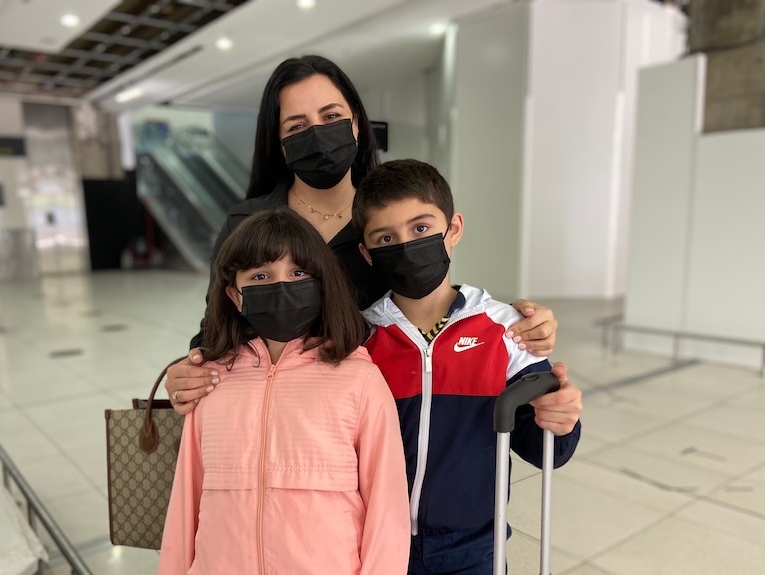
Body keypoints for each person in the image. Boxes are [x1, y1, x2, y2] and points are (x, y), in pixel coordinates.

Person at [166, 54, 559, 414]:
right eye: (297, 125)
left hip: (375, 412)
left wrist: (518, 325)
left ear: (356, 123)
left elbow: (432, 303)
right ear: (281, 143)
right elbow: (217, 324)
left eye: (331, 115)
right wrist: (192, 369)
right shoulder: (248, 223)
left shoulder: (388, 219)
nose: (317, 133)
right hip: (275, 411)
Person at [353, 159, 583, 575]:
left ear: (453, 229)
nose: (406, 245)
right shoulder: (360, 338)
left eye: (421, 228)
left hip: (474, 546)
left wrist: (561, 420)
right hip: (374, 540)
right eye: (386, 237)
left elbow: (543, 447)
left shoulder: (506, 330)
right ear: (367, 254)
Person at [157, 208, 410, 574]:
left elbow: (387, 510)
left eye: (298, 272)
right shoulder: (210, 381)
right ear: (236, 295)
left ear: (321, 283)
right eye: (260, 275)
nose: (282, 285)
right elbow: (185, 501)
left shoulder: (359, 380)